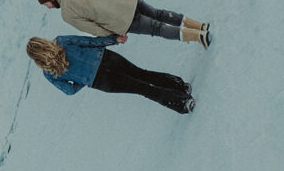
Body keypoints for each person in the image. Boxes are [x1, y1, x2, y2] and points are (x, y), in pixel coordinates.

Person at [26, 35, 195, 114]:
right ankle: (180, 85)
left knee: (142, 89)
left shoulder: (49, 74)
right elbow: (90, 42)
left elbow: (69, 91)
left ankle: (182, 103)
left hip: (101, 81)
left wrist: (84, 79)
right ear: (43, 41)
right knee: (142, 74)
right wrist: (113, 40)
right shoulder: (61, 41)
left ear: (35, 58)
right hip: (108, 59)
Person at [37, 0, 211, 47]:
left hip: (121, 20)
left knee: (157, 29)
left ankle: (198, 37)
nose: (49, 8)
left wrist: (113, 37)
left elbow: (93, 28)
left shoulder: (67, 13)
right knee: (158, 14)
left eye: (47, 5)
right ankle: (199, 26)